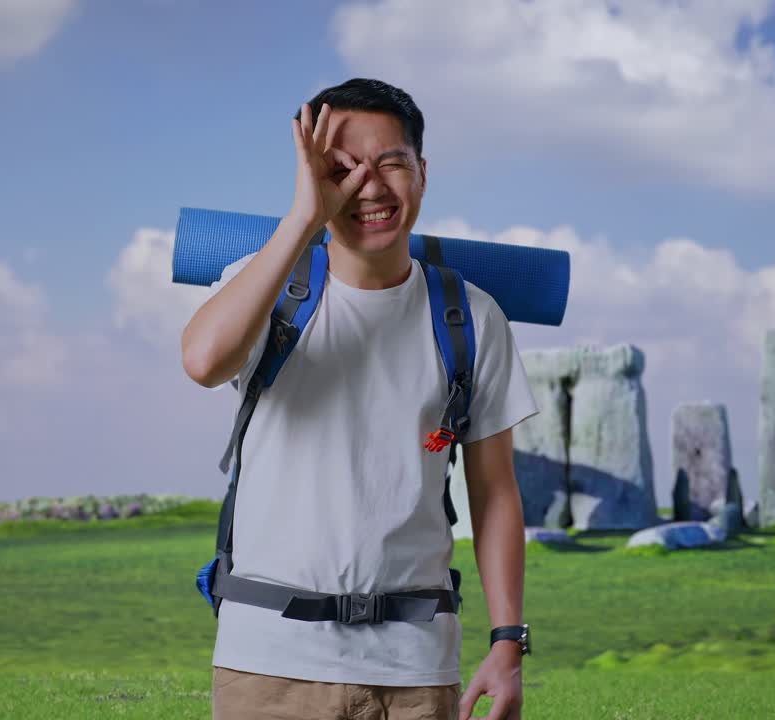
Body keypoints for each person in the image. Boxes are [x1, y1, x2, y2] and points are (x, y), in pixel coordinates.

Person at [182, 78, 538, 720]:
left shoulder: (472, 317)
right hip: (268, 664)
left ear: (422, 173)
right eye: (343, 168)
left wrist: (508, 642)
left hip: (415, 667)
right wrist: (303, 219)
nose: (369, 187)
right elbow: (204, 362)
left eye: (391, 163)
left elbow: (495, 493)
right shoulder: (267, 287)